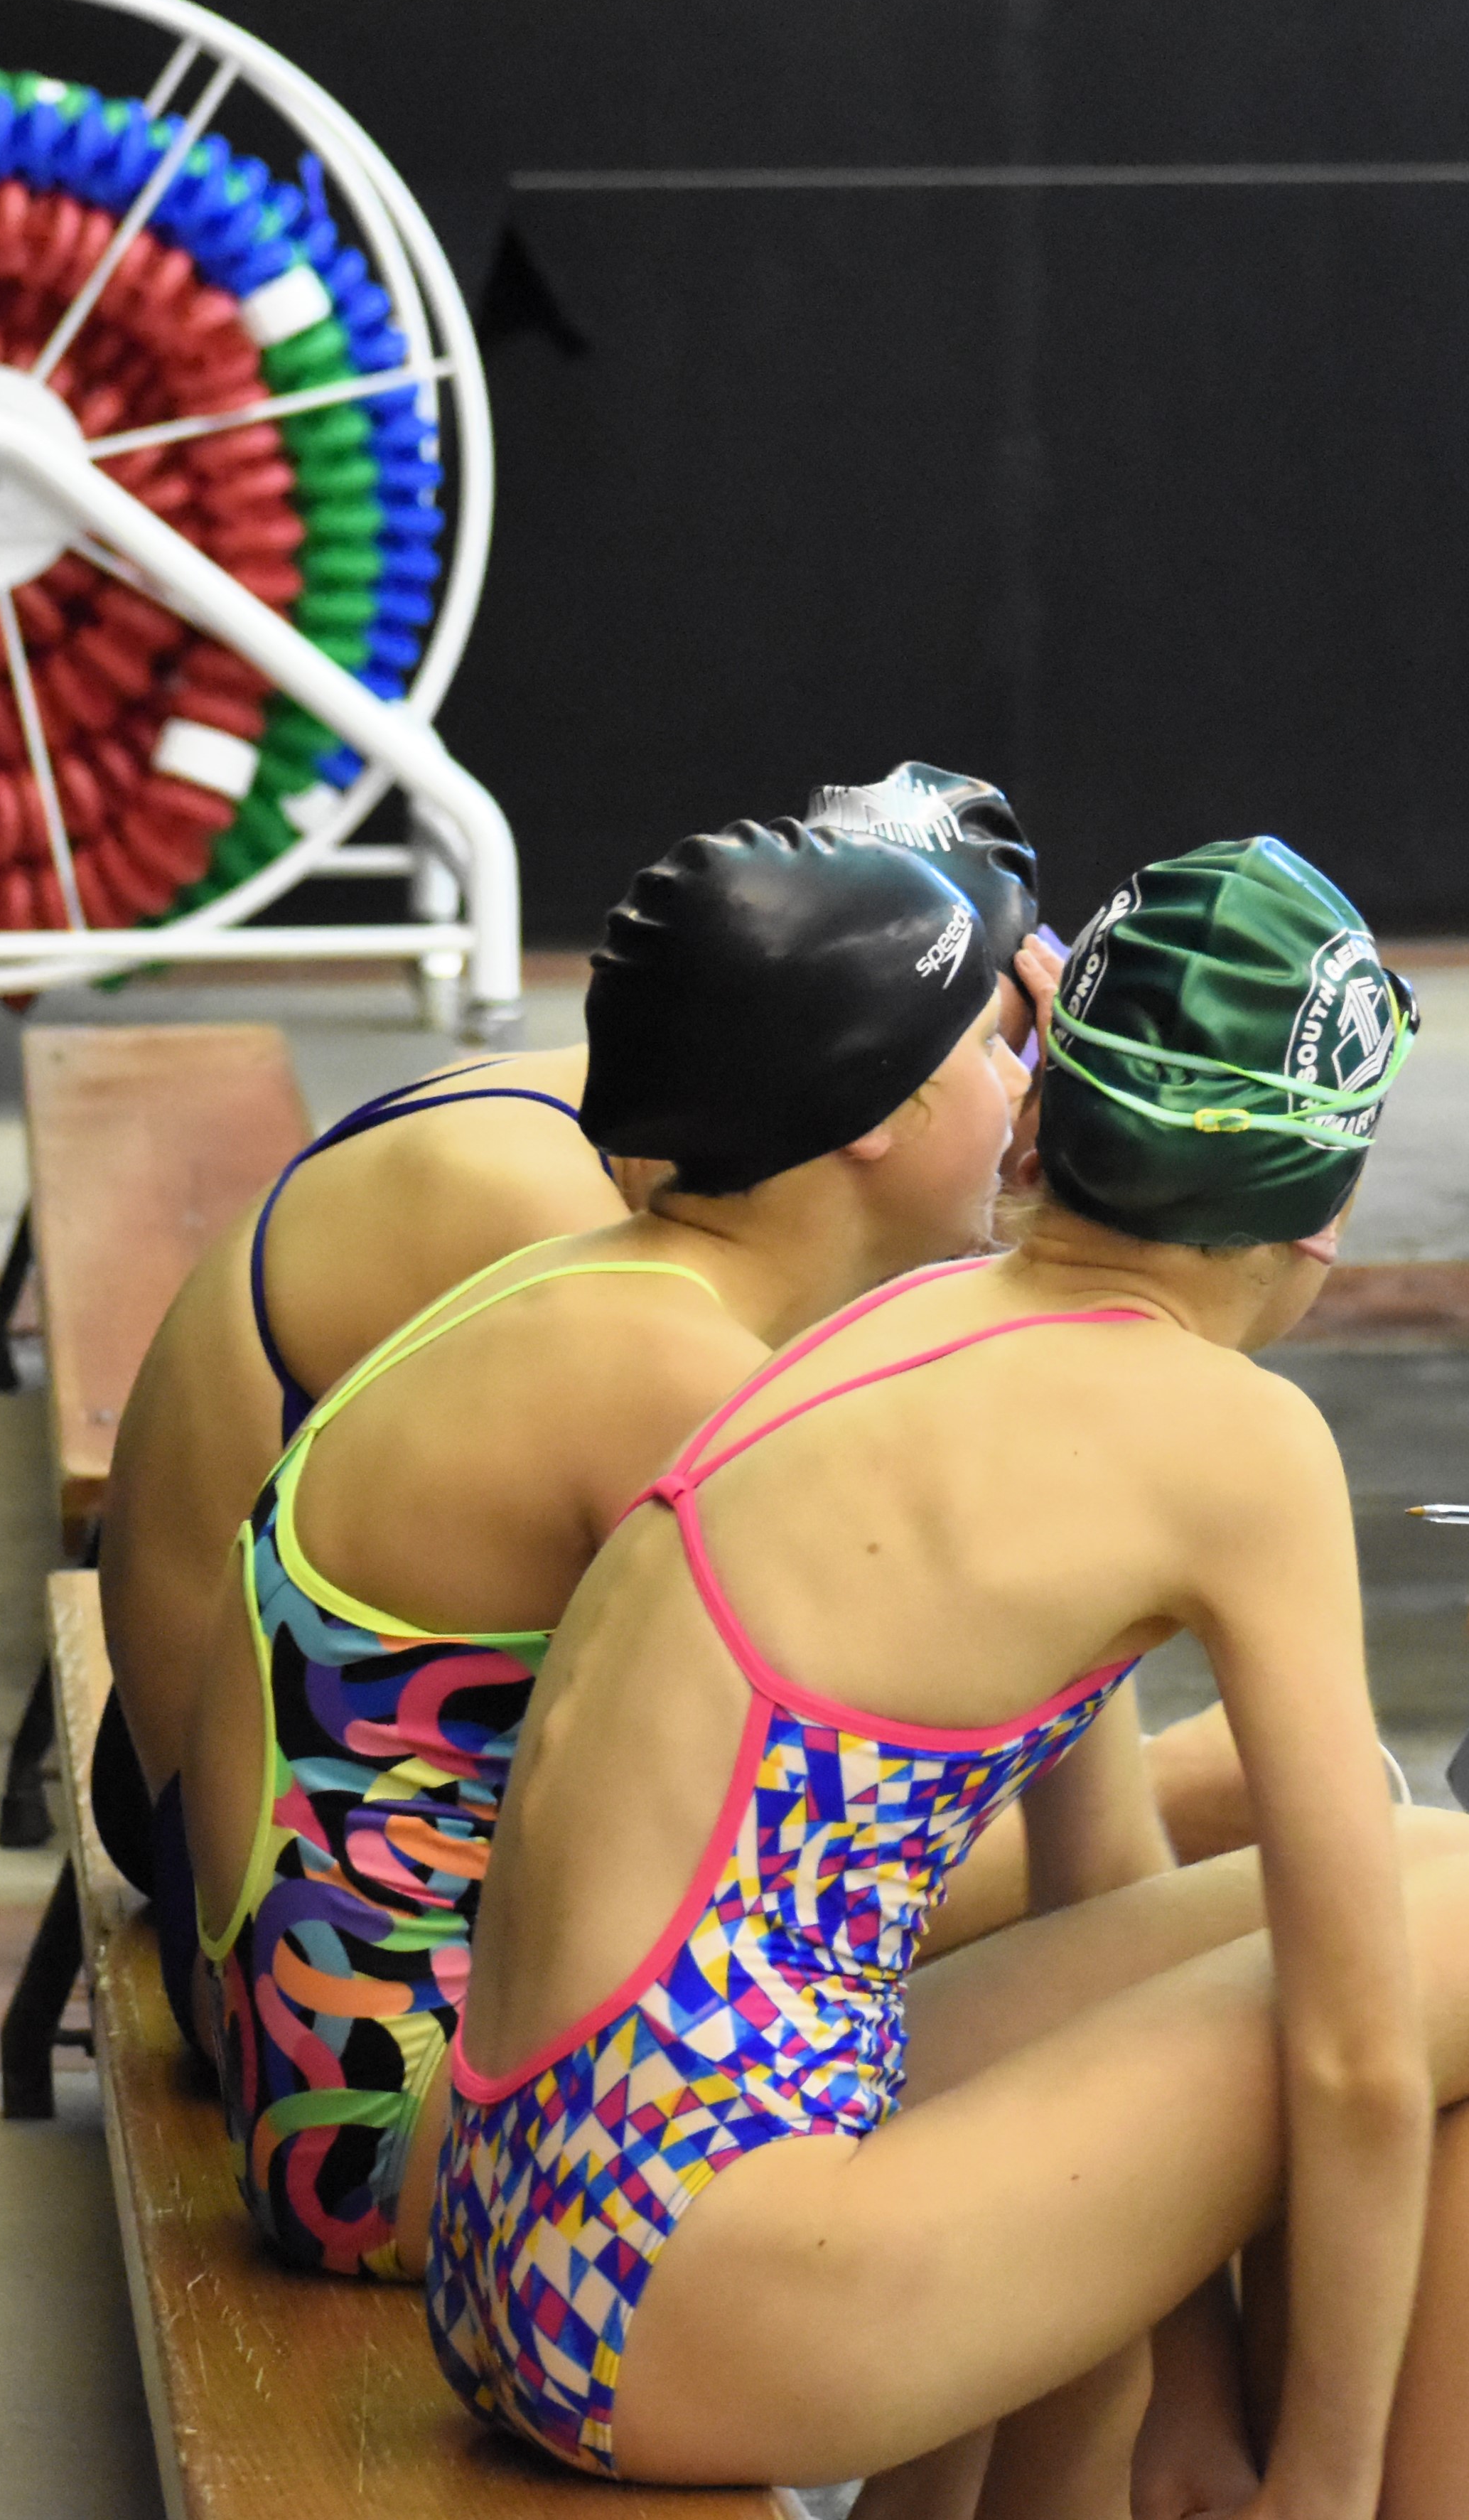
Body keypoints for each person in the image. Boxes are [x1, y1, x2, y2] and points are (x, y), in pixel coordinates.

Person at [430, 839, 1469, 2513]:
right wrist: (1325, 2480)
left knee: (1420, 1860)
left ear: (1046, 1123)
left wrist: (1190, 2393)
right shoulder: (1234, 1438)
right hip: (678, 2282)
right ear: (1324, 1215)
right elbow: (1354, 2061)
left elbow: (1104, 1892)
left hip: (531, 2217)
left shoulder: (914, 1316)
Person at [189, 818, 1033, 2278]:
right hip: (393, 2145)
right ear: (871, 1109)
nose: (1025, 1085)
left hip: (341, 2082)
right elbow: (873, 1838)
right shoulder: (675, 1384)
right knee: (1203, 1915)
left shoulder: (613, 1289)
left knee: (1138, 1962)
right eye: (987, 1046)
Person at [87, 765, 1056, 2001]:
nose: (1020, 1088)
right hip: (248, 1882)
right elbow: (885, 1695)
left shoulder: (635, 1150)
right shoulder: (554, 1227)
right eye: (995, 1043)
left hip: (297, 1841)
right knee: (1135, 1851)